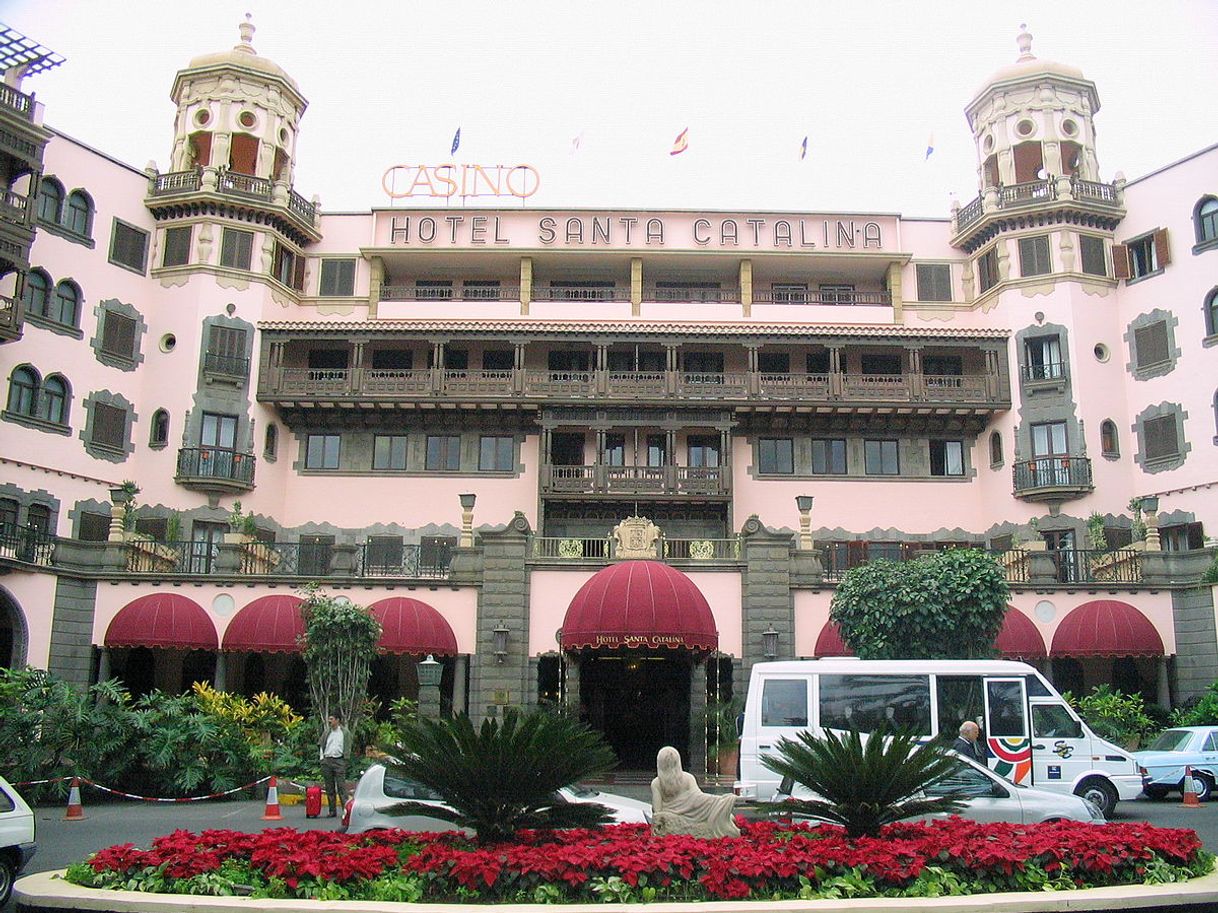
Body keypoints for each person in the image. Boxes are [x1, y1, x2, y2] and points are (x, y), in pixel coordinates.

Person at [650, 745, 739, 838]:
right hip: (694, 811)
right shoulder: (688, 777)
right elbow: (698, 797)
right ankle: (721, 804)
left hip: (688, 808)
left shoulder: (656, 783)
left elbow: (657, 810)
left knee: (698, 798)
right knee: (705, 799)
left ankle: (721, 804)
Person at [318, 714, 350, 818]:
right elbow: (321, 745)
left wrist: (345, 761)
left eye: (332, 719)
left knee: (341, 787)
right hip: (327, 761)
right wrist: (322, 759)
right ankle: (332, 811)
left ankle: (346, 811)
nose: (330, 721)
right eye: (329, 719)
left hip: (339, 760)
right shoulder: (327, 732)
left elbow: (348, 746)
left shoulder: (344, 733)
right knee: (329, 787)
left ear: (338, 720)